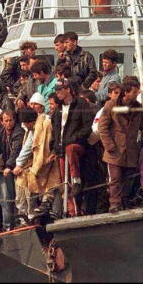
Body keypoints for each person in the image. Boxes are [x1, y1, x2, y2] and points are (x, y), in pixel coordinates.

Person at [51, 78, 95, 216]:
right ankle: (72, 211)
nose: (57, 93)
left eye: (60, 90)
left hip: (78, 146)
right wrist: (55, 148)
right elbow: (56, 132)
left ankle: (77, 181)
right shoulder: (57, 110)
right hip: (62, 149)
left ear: (68, 89)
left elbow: (88, 127)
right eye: (56, 90)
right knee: (65, 182)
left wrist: (73, 139)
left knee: (71, 149)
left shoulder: (81, 104)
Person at [98, 81, 143, 213]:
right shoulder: (111, 105)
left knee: (128, 177)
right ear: (126, 92)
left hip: (130, 150)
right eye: (134, 91)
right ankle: (114, 204)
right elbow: (102, 126)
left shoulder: (138, 107)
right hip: (115, 149)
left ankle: (124, 201)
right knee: (115, 178)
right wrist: (109, 145)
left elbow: (142, 126)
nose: (137, 94)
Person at [13, 108, 60, 217]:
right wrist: (19, 164)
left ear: (30, 122)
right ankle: (27, 214)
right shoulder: (33, 130)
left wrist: (53, 152)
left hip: (52, 159)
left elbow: (51, 142)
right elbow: (28, 146)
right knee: (25, 179)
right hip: (38, 162)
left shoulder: (46, 124)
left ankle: (55, 212)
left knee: (54, 185)